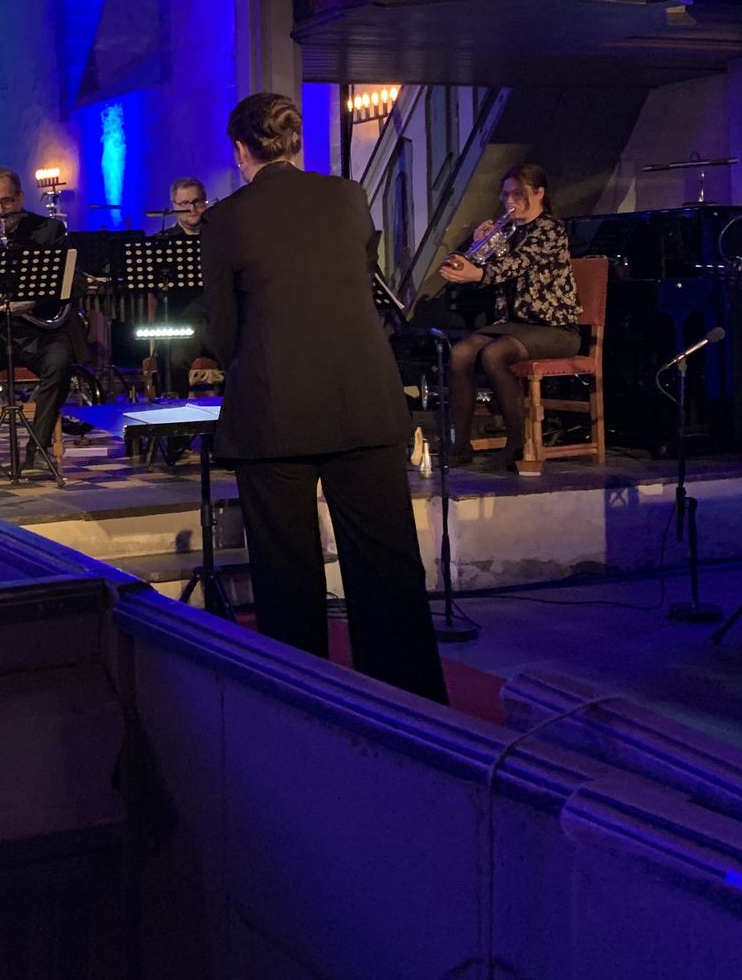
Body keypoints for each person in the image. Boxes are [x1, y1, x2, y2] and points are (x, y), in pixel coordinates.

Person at [201, 93, 447, 702]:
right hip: (362, 396)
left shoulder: (225, 217)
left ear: (240, 150)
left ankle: (303, 707)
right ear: (295, 142)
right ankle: (413, 708)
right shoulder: (348, 197)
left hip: (275, 407)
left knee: (286, 574)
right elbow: (358, 285)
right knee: (386, 567)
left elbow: (222, 328)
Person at [438, 163, 581, 470]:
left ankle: (516, 443)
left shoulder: (549, 229)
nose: (510, 202)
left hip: (555, 328)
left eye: (518, 194)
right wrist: (481, 249)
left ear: (539, 193)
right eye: (506, 195)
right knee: (460, 353)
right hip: (516, 326)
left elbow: (516, 264)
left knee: (495, 353)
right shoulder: (510, 233)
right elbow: (494, 270)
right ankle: (460, 445)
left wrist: (479, 272)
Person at [0, 165, 74, 465]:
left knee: (61, 361)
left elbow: (72, 283)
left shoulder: (49, 231)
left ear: (20, 198)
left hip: (40, 331)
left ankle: (38, 447)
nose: (0, 211)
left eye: (7, 201)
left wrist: (32, 301)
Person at [151, 176, 210, 393]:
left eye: (197, 202)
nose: (192, 209)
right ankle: (176, 408)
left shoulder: (219, 237)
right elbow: (156, 292)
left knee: (242, 357)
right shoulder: (162, 242)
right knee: (174, 360)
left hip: (216, 324)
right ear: (175, 206)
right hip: (181, 325)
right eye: (185, 203)